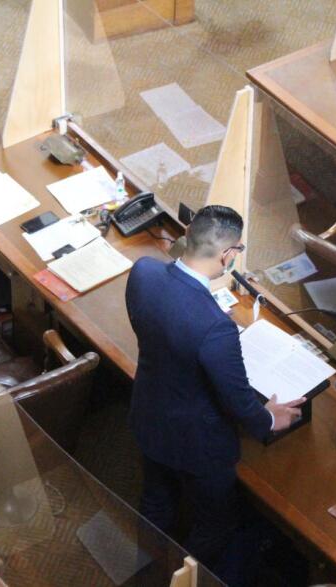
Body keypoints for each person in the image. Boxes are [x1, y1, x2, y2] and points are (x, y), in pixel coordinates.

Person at [125, 205, 304, 585]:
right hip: (198, 445)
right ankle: (180, 577)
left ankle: (146, 569)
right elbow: (238, 400)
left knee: (156, 500)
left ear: (189, 234)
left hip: (150, 415)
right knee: (216, 523)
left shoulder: (143, 272)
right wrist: (271, 418)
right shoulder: (215, 328)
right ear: (227, 256)